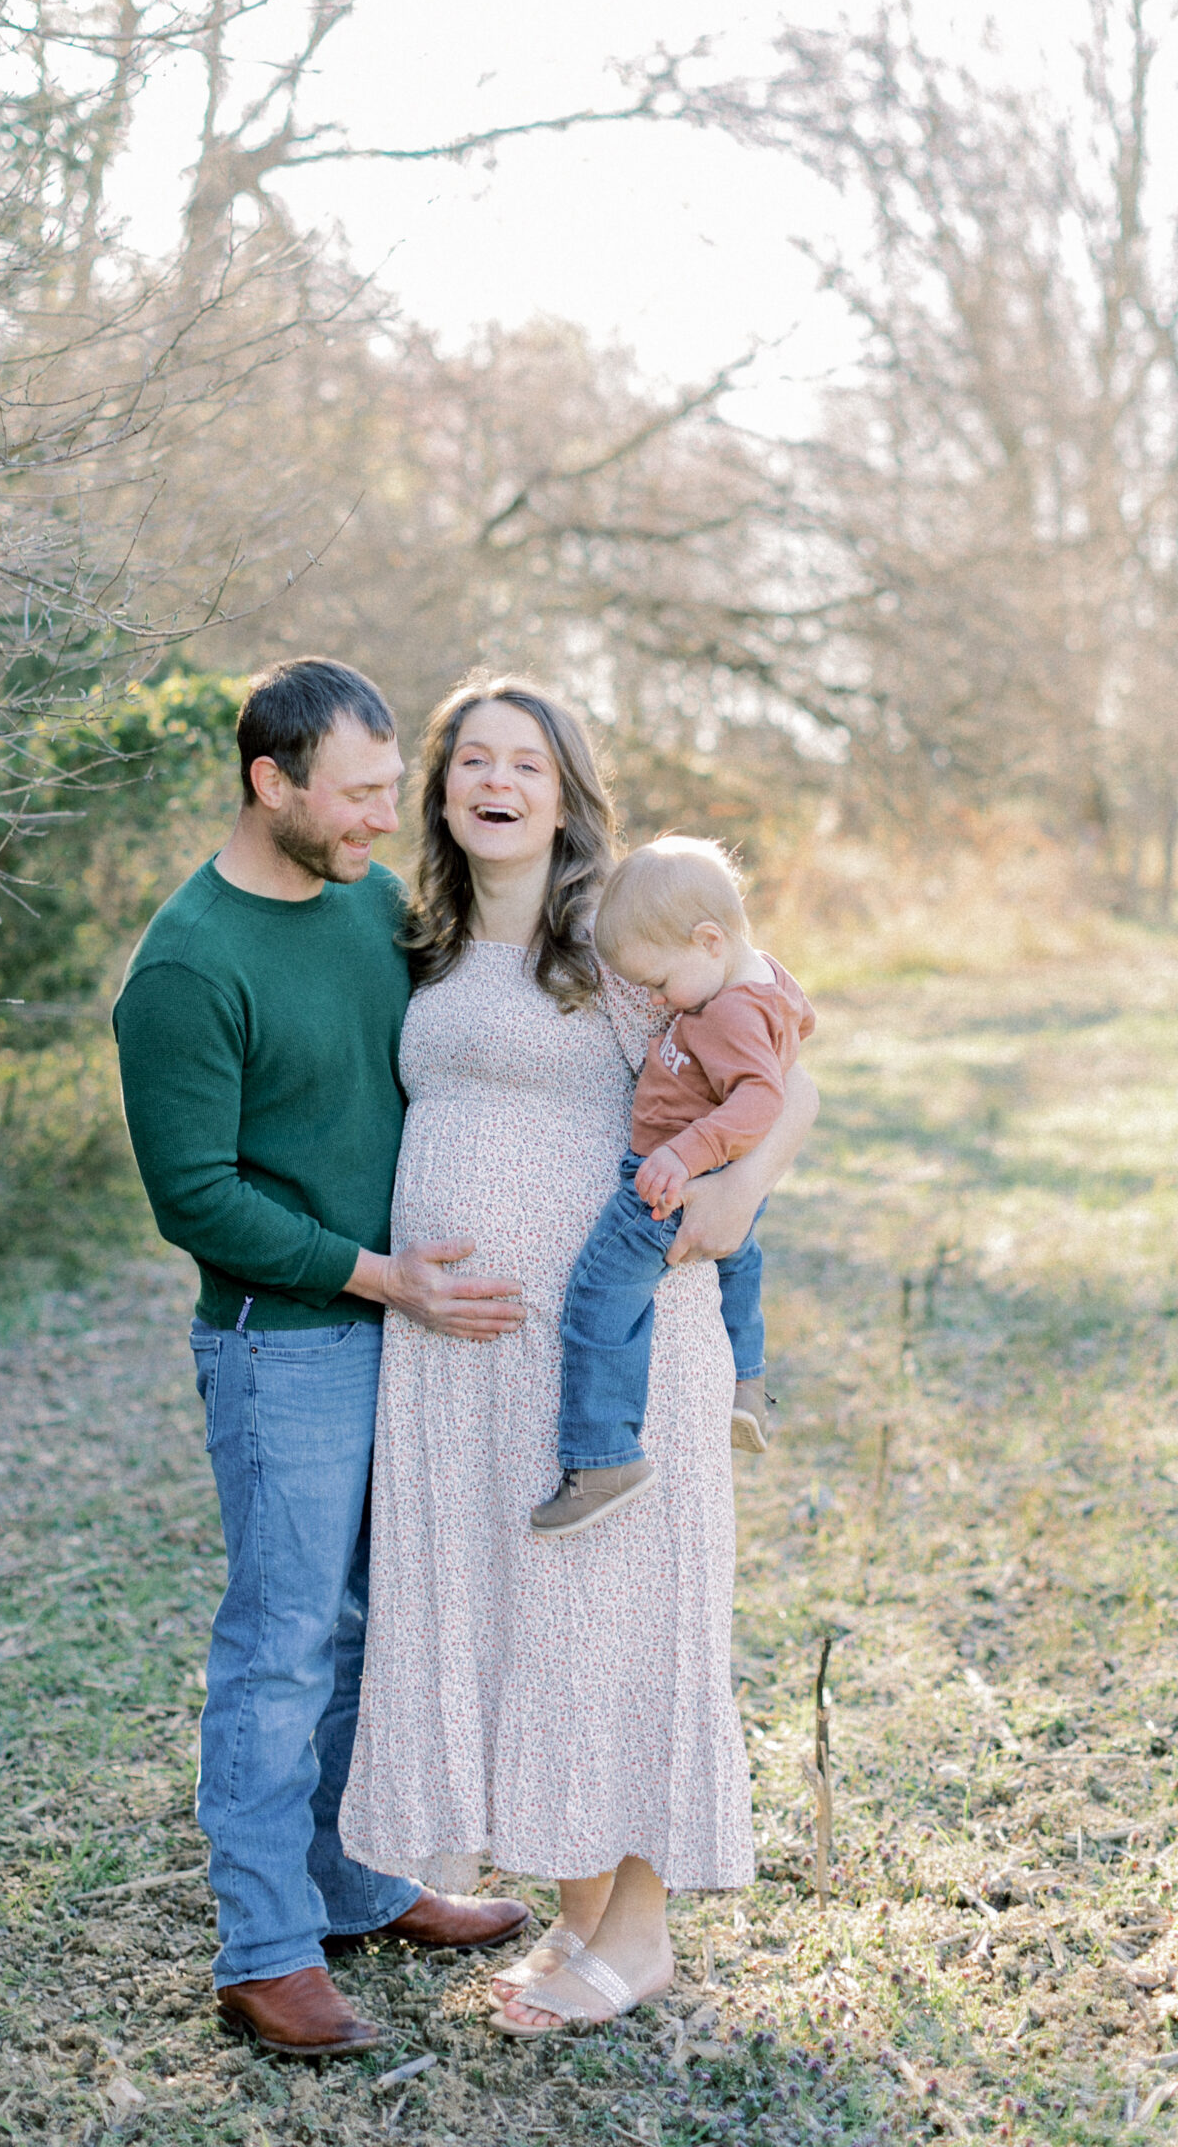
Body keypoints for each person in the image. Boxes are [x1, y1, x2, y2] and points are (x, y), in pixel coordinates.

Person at [339, 677, 818, 2035]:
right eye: (472, 761)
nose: (496, 783)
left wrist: (736, 1197)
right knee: (527, 1620)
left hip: (607, 1342)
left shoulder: (618, 929)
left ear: (565, 794)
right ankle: (580, 1908)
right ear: (440, 787)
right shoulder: (420, 936)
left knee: (623, 1617)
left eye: (526, 765)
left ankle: (641, 1933)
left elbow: (786, 1064)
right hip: (458, 1356)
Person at [111, 659, 531, 2063]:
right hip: (285, 1346)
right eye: (353, 795)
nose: (378, 819)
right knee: (282, 1644)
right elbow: (195, 1199)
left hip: (402, 1333)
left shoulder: (369, 905)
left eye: (386, 790)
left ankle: (355, 1884)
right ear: (269, 782)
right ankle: (265, 1951)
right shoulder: (187, 965)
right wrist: (381, 1276)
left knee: (372, 1625)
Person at [529, 835, 815, 1539]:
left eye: (659, 983)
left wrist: (686, 1154)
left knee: (600, 1296)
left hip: (672, 1177)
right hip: (707, 1171)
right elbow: (799, 1031)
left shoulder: (726, 1011)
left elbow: (761, 1098)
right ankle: (746, 1384)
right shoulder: (764, 980)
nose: (656, 1000)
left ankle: (603, 1458)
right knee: (738, 1262)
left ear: (709, 940)